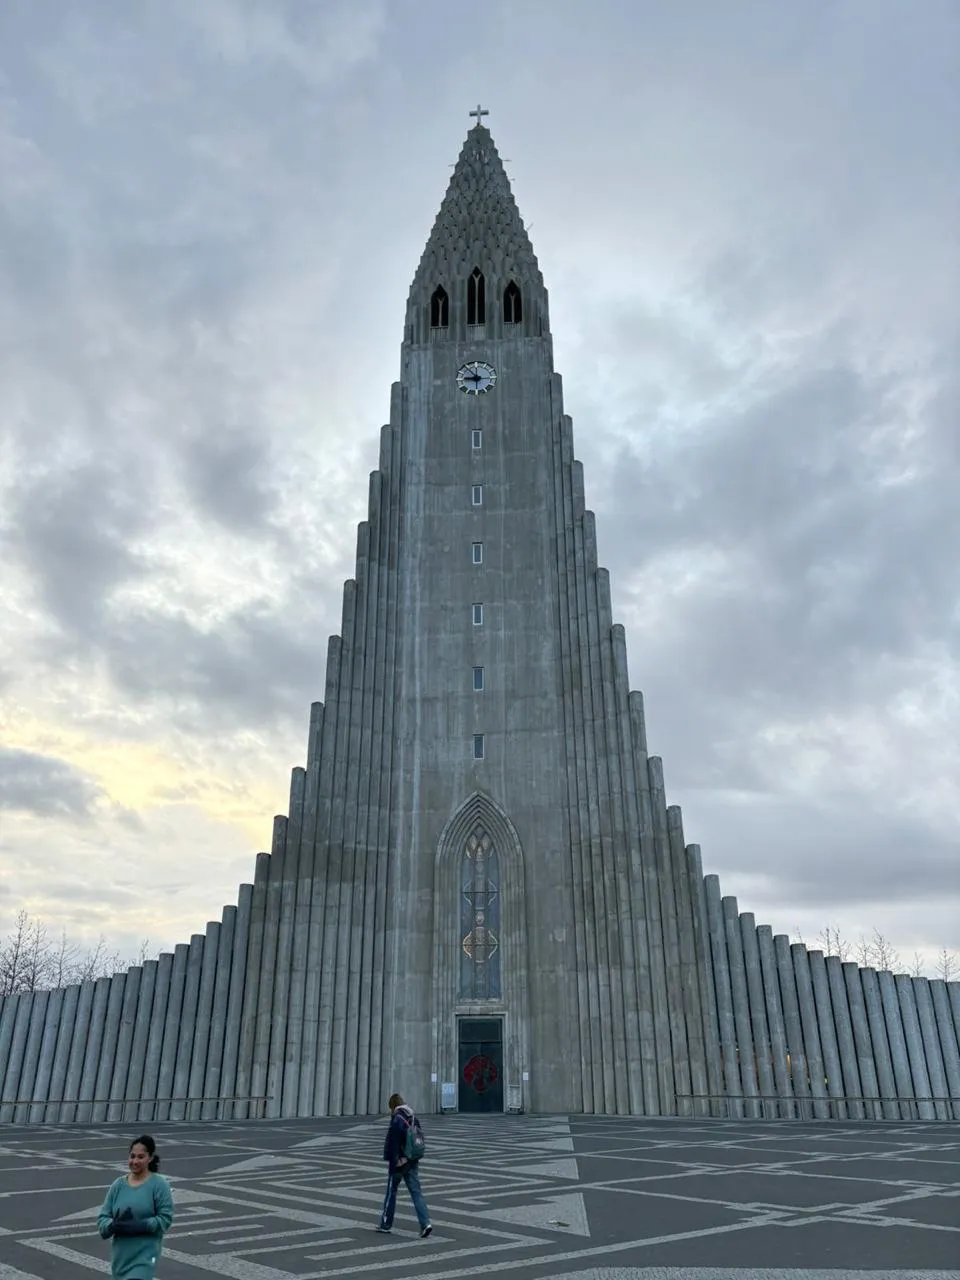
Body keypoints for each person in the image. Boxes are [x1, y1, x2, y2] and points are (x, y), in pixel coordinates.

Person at [97, 1134, 174, 1279]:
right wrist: (113, 1225)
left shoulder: (159, 1185)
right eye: (132, 1156)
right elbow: (103, 1218)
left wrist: (142, 1225)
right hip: (121, 1258)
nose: (135, 1161)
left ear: (150, 1158)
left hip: (145, 1256)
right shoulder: (118, 1185)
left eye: (140, 1157)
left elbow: (165, 1219)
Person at [377, 1092, 432, 1238]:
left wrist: (392, 1164)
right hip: (412, 1160)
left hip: (400, 1162)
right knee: (416, 1192)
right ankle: (426, 1223)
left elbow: (394, 1145)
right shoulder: (412, 1116)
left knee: (391, 1193)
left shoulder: (397, 1119)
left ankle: (385, 1224)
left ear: (393, 1106)